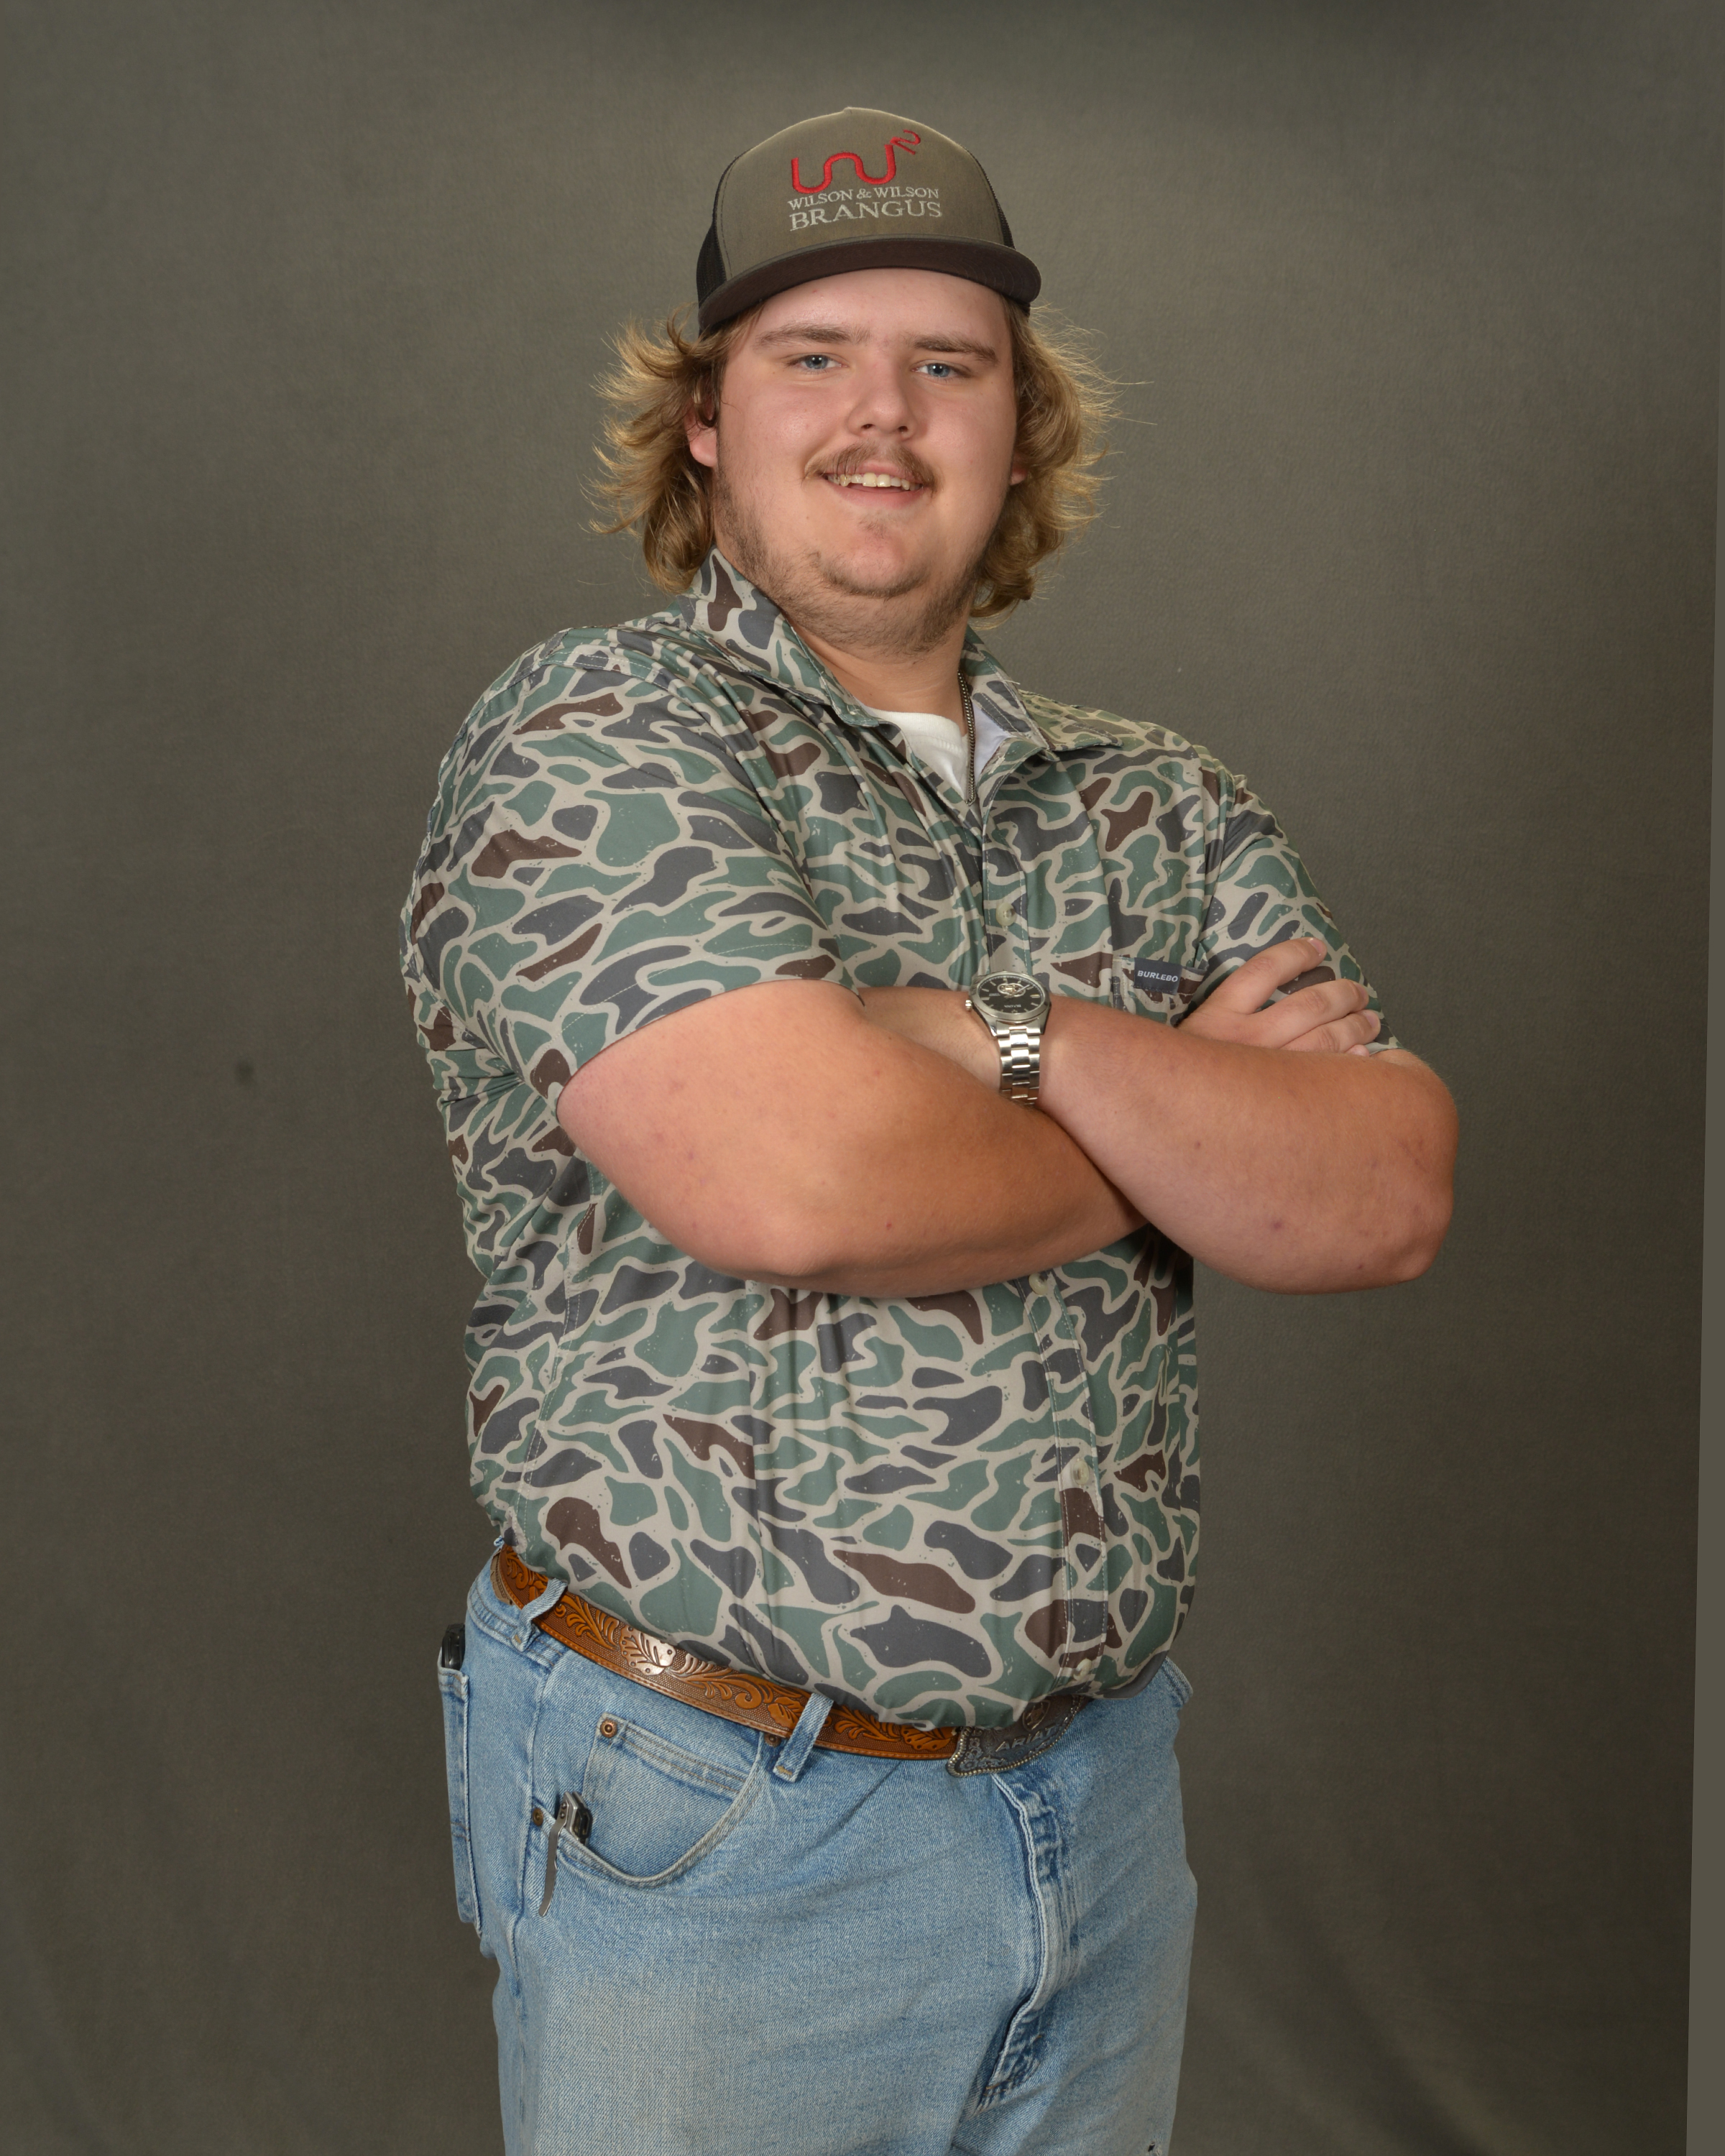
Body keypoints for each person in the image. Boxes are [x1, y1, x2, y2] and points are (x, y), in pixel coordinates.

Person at [403, 106, 1455, 2156]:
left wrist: (1001, 1036)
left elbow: (1381, 1191)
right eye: (812, 356)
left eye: (947, 365)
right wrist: (1182, 1131)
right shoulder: (596, 735)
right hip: (718, 1818)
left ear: (1017, 426)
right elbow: (794, 1182)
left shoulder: (1157, 802)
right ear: (705, 422)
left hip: (1098, 1809)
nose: (882, 414)